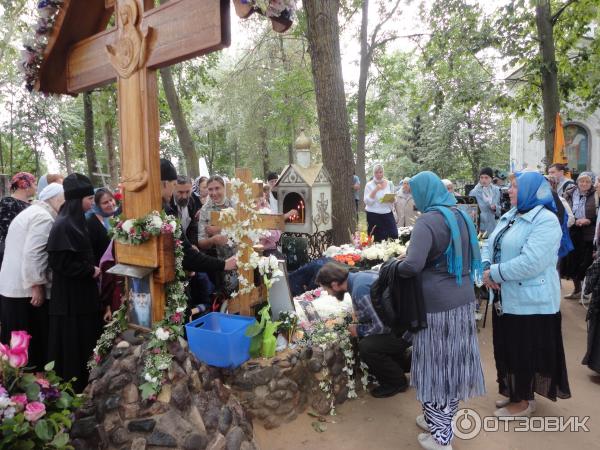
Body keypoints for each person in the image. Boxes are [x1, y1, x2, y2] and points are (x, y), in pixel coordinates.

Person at [395, 171, 485, 450]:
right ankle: (438, 420)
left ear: (424, 193)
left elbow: (412, 266)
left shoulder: (428, 222)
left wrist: (395, 264)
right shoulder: (460, 216)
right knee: (452, 365)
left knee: (435, 367)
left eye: (415, 192)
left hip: (434, 306)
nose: (413, 197)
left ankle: (441, 437)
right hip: (463, 300)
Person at [482, 171, 571, 418]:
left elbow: (531, 262)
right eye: (510, 186)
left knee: (524, 351)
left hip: (531, 302)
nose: (509, 191)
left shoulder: (546, 220)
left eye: (514, 187)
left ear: (531, 191)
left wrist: (494, 274)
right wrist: (487, 266)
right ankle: (514, 393)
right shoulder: (512, 214)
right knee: (507, 348)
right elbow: (491, 243)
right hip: (506, 298)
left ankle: (523, 402)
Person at [315, 262, 410, 398]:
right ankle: (403, 364)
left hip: (403, 332)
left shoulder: (359, 290)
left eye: (327, 290)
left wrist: (358, 330)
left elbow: (381, 326)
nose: (329, 294)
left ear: (335, 284)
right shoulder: (360, 276)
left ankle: (396, 382)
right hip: (405, 325)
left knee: (367, 346)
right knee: (370, 341)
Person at [0, 183, 64, 370]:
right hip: (24, 291)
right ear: (56, 199)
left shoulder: (32, 212)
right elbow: (34, 254)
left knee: (13, 348)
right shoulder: (43, 217)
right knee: (25, 349)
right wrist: (37, 284)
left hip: (13, 287)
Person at [46, 173, 101, 392]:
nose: (91, 202)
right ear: (77, 200)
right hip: (70, 299)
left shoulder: (78, 221)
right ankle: (74, 387)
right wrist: (90, 270)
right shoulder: (63, 225)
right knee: (72, 342)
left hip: (83, 295)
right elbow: (60, 262)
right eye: (88, 198)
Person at [160, 160, 236, 307]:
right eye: (177, 189)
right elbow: (194, 242)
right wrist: (208, 242)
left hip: (225, 257)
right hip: (189, 263)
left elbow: (191, 232)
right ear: (166, 184)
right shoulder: (168, 209)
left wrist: (217, 230)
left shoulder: (193, 202)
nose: (184, 196)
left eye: (187, 192)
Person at [562, 172, 597, 298]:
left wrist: (589, 220)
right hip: (572, 230)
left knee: (586, 263)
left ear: (592, 183)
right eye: (582, 181)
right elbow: (563, 210)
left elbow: (597, 214)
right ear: (577, 182)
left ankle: (586, 293)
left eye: (587, 181)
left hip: (589, 233)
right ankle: (577, 290)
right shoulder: (569, 193)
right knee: (572, 261)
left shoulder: (596, 194)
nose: (584, 184)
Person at [0, 172, 37, 268]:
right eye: (34, 184)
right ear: (25, 184)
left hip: (25, 252)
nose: (36, 187)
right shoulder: (8, 202)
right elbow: (5, 230)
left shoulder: (30, 205)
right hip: (10, 254)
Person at [364, 164, 398, 242]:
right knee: (377, 239)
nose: (378, 174)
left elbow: (394, 198)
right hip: (373, 215)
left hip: (387, 213)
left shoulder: (389, 183)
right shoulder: (369, 185)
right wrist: (375, 190)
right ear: (373, 173)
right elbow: (367, 202)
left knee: (394, 235)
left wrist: (392, 199)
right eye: (376, 172)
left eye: (380, 172)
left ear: (383, 172)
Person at [87, 188, 118, 266]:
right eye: (105, 203)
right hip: (100, 267)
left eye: (111, 200)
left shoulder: (114, 216)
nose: (110, 204)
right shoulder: (90, 222)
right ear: (97, 205)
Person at [469, 167, 501, 237]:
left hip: (493, 226)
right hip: (480, 228)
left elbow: (499, 211)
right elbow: (470, 211)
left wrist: (495, 208)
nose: (483, 180)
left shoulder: (496, 190)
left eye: (486, 177)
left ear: (491, 178)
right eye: (481, 177)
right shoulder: (474, 192)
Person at [169, 175, 200, 244]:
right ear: (173, 189)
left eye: (187, 192)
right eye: (180, 192)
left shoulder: (192, 201)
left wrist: (193, 244)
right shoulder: (168, 205)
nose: (184, 196)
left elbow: (193, 226)